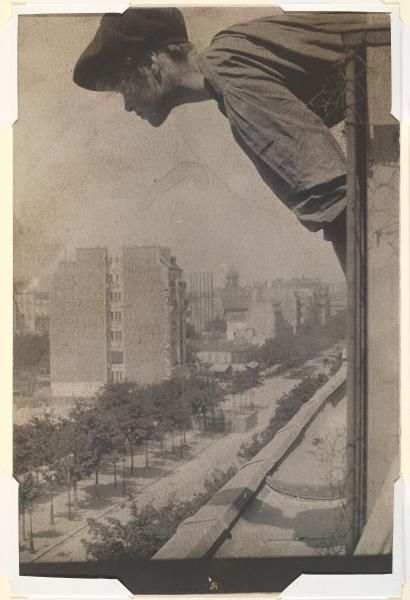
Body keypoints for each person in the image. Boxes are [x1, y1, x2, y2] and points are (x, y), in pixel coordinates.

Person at [73, 8, 386, 274]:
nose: (127, 104)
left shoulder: (228, 69)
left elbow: (337, 201)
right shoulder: (231, 64)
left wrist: (375, 325)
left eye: (122, 85)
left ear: (151, 62)